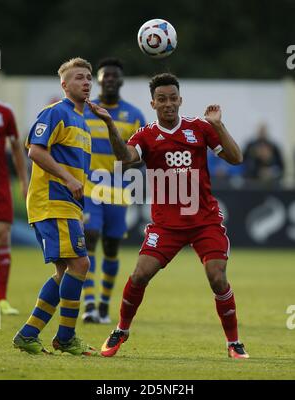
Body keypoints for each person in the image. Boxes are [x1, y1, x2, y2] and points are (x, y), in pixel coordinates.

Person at [86, 73, 249, 359]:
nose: (168, 104)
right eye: (162, 99)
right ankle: (121, 329)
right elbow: (125, 156)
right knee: (139, 275)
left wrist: (219, 125)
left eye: (173, 98)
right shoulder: (146, 135)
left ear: (180, 100)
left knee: (217, 278)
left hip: (204, 221)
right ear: (153, 103)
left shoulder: (200, 128)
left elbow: (236, 158)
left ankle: (233, 342)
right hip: (167, 225)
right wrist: (110, 124)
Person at [12, 57, 96, 355]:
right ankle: (65, 336)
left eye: (88, 77)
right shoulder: (55, 112)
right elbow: (35, 150)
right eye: (78, 78)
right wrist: (68, 180)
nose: (85, 82)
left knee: (65, 272)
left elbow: (75, 167)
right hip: (51, 201)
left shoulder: (83, 123)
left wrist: (80, 186)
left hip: (67, 204)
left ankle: (28, 334)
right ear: (64, 84)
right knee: (81, 264)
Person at [82, 58, 146, 324]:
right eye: (104, 75)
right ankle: (88, 305)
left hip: (118, 189)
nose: (109, 79)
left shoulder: (133, 115)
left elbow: (144, 154)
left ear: (121, 81)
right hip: (89, 187)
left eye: (113, 76)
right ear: (98, 80)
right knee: (90, 237)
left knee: (111, 247)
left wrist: (130, 162)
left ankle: (105, 305)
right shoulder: (85, 110)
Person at [0, 90, 28, 315]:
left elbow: (17, 148)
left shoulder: (5, 111)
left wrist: (24, 180)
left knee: (2, 234)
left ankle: (2, 300)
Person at [243, 123, 284, 187]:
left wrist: (271, 172)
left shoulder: (274, 146)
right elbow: (244, 163)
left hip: (272, 184)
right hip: (252, 183)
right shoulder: (250, 146)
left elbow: (281, 167)